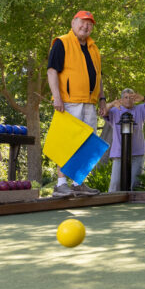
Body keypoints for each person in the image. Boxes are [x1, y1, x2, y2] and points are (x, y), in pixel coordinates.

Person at [47, 10, 106, 197]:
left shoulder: (93, 48)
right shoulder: (62, 42)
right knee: (67, 142)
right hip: (69, 102)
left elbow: (98, 77)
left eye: (90, 23)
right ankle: (61, 183)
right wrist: (57, 97)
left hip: (90, 103)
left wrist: (102, 99)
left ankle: (78, 183)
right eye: (82, 22)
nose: (86, 26)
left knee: (87, 144)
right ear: (73, 22)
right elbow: (52, 71)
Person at [105, 88, 145, 192]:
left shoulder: (140, 109)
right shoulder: (115, 110)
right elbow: (102, 111)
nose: (128, 100)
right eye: (126, 97)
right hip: (120, 153)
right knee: (115, 184)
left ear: (135, 99)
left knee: (135, 185)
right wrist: (112, 104)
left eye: (131, 97)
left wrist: (143, 98)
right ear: (121, 99)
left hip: (137, 153)